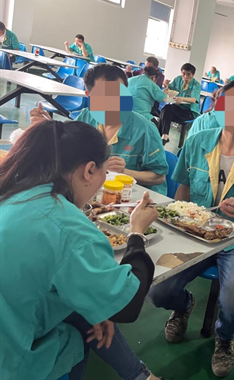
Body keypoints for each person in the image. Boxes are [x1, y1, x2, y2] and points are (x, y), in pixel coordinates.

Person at [0, 120, 164, 380]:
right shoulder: (66, 226)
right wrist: (137, 233)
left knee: (83, 309)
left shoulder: (13, 188)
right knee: (78, 336)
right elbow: (128, 306)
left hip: (13, 312)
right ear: (89, 171)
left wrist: (97, 305)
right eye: (103, 173)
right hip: (10, 361)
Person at [148, 79, 234, 378]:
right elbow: (183, 190)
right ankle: (184, 305)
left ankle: (224, 337)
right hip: (194, 234)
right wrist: (179, 223)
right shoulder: (198, 142)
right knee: (158, 290)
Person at [30, 64, 169, 195]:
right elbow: (66, 149)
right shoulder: (86, 117)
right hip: (93, 192)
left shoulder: (145, 129)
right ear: (89, 95)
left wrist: (125, 172)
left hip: (133, 198)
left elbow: (159, 177)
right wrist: (47, 129)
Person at [160, 63, 201, 145]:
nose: (185, 76)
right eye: (183, 73)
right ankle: (164, 136)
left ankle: (161, 136)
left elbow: (194, 100)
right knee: (165, 109)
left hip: (189, 111)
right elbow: (170, 89)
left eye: (188, 74)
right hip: (177, 108)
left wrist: (181, 98)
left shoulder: (196, 85)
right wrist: (166, 86)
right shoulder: (178, 79)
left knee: (165, 113)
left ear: (193, 75)